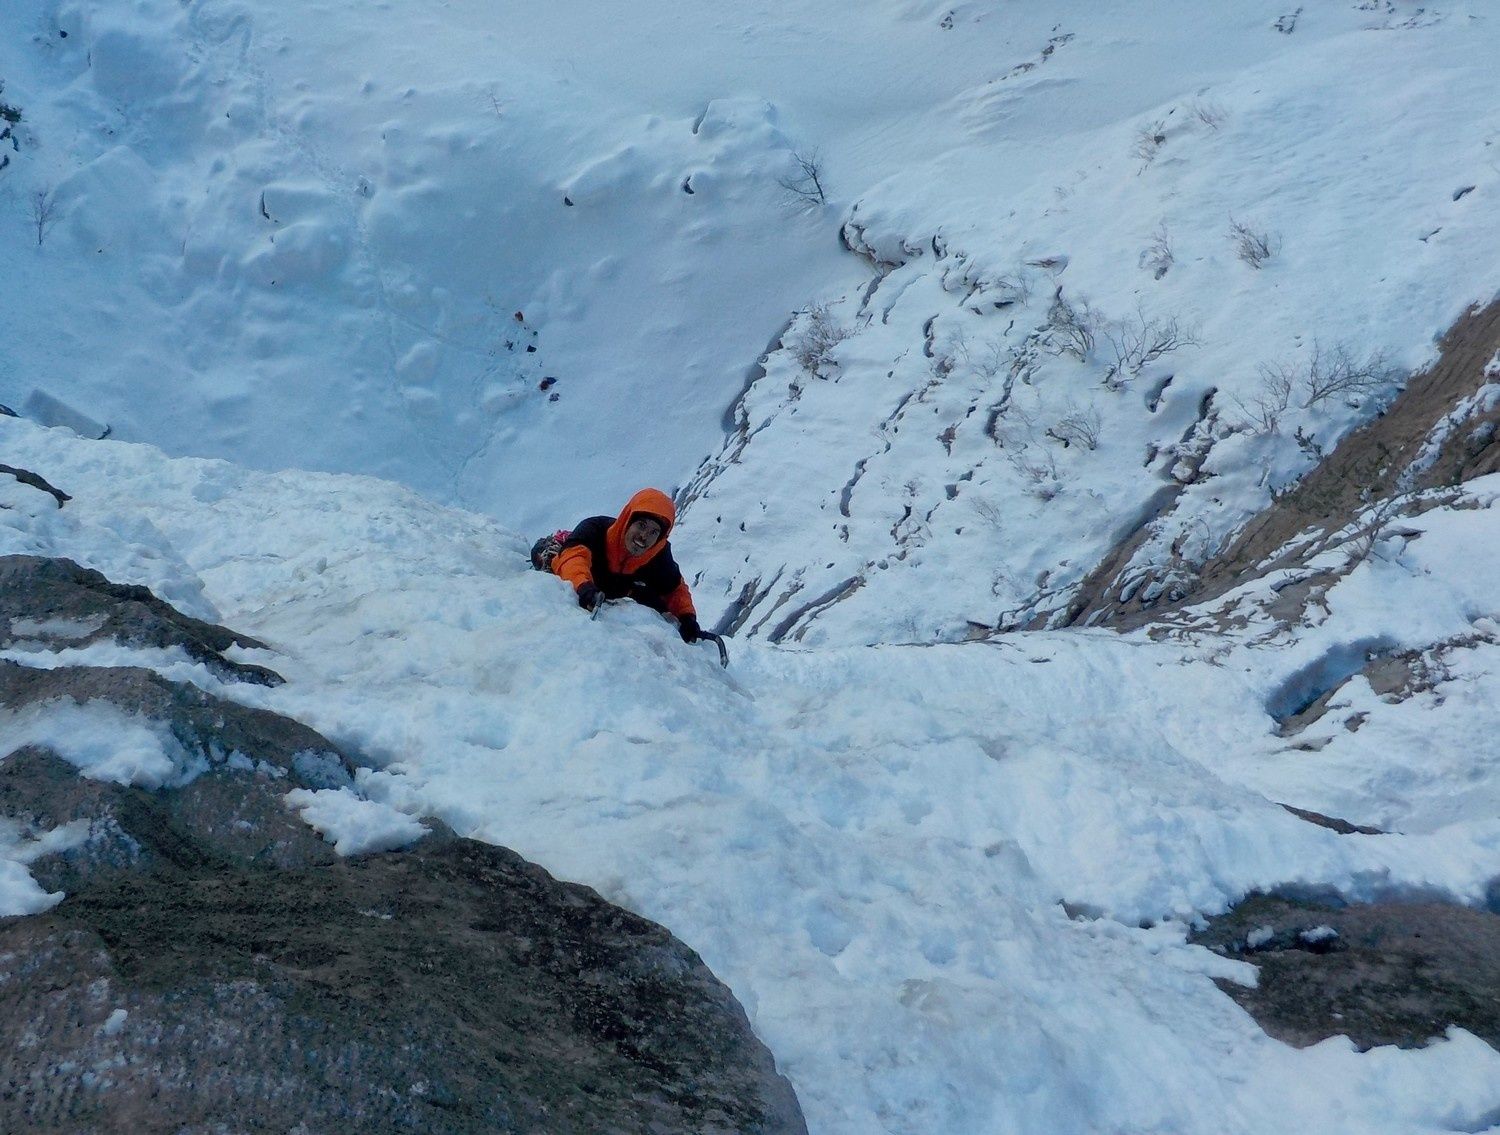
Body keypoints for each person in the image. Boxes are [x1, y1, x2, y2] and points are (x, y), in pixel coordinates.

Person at [550, 488, 701, 643]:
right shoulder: (594, 529)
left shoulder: (658, 555)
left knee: (653, 599)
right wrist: (583, 586)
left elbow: (675, 589)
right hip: (588, 581)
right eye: (641, 525)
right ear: (627, 520)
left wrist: (687, 617)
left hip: (619, 589)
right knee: (555, 557)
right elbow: (573, 558)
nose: (644, 537)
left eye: (654, 532)